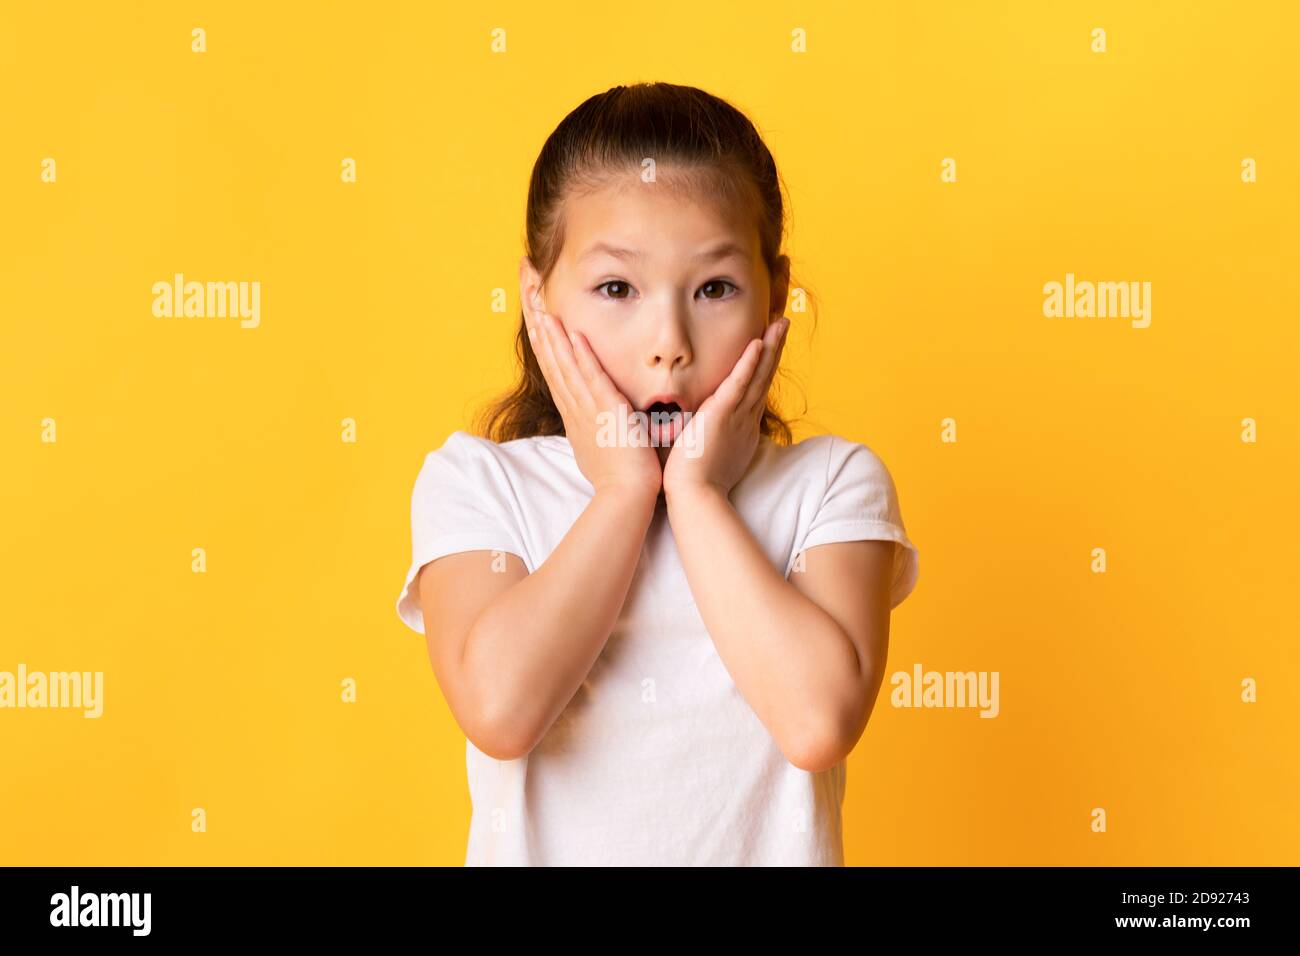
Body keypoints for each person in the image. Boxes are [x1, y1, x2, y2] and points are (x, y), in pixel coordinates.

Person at [395, 82, 920, 866]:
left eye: (714, 289)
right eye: (617, 289)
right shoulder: (478, 485)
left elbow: (817, 723)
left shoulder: (833, 485)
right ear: (538, 303)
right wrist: (622, 490)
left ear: (775, 296)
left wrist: (698, 496)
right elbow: (501, 712)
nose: (668, 341)